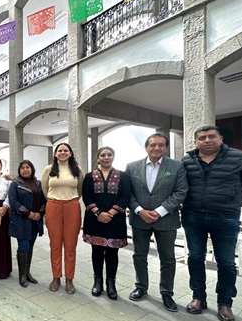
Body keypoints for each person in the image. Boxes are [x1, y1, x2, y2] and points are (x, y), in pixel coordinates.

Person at [181, 125, 242, 321]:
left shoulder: (239, 157)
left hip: (225, 217)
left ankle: (225, 302)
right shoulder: (187, 160)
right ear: (196, 142)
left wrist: (233, 199)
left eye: (211, 136)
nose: (207, 140)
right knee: (195, 258)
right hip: (193, 216)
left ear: (220, 138)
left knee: (226, 263)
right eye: (202, 138)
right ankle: (198, 297)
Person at [125, 132, 188, 311]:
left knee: (168, 258)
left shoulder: (177, 166)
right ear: (146, 147)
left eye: (161, 145)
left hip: (166, 220)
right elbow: (127, 192)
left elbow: (181, 192)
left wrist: (159, 212)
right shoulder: (132, 166)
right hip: (139, 219)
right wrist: (139, 210)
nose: (157, 148)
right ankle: (141, 287)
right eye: (153, 145)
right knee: (139, 255)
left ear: (166, 147)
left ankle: (167, 293)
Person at [82, 147, 131, 300]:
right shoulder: (90, 176)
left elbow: (126, 196)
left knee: (112, 253)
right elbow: (86, 196)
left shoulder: (123, 176)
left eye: (109, 155)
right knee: (96, 251)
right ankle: (98, 282)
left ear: (114, 157)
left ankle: (111, 283)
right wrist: (98, 213)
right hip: (94, 219)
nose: (106, 157)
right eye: (103, 155)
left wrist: (110, 213)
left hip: (114, 220)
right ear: (97, 158)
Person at [41, 142, 83, 294]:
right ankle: (56, 277)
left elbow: (80, 190)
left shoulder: (76, 169)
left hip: (72, 206)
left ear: (70, 153)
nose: (63, 152)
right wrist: (54, 201)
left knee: (71, 245)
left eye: (66, 150)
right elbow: (45, 189)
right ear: (55, 154)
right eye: (60, 150)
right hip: (53, 206)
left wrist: (69, 200)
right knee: (55, 244)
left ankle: (69, 279)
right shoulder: (48, 169)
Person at [8, 160, 46, 287]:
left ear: (32, 169)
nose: (25, 169)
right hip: (21, 220)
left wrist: (40, 213)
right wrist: (28, 213)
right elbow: (13, 202)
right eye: (23, 168)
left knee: (30, 246)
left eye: (28, 167)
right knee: (23, 246)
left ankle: (28, 272)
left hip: (35, 221)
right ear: (19, 170)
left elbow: (44, 200)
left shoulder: (38, 183)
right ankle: (22, 275)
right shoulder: (15, 184)